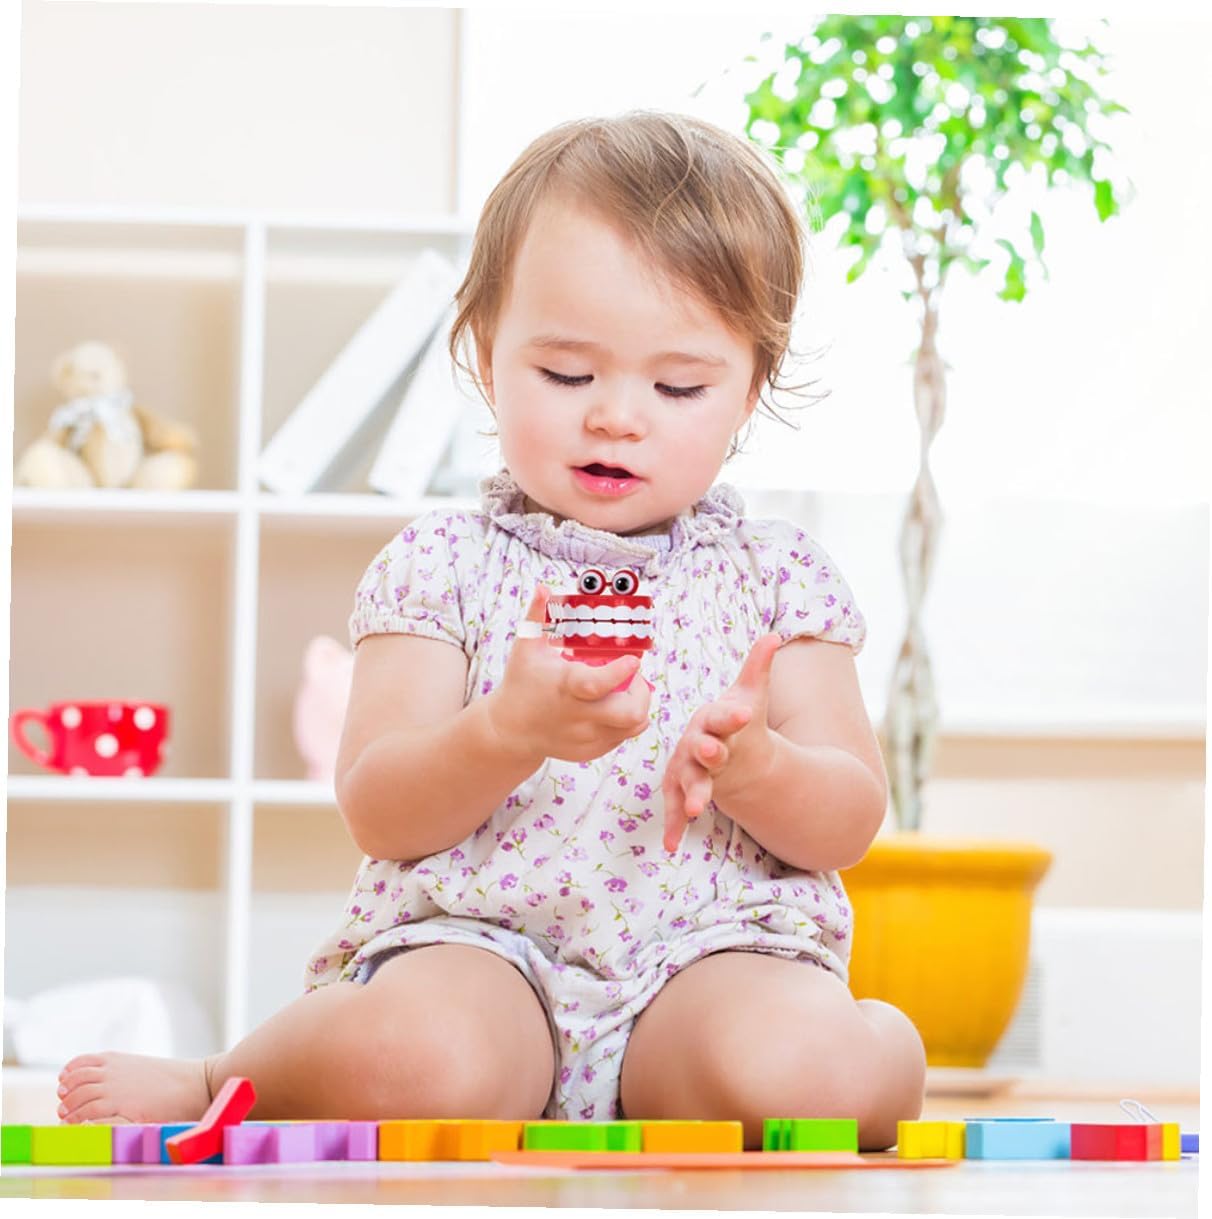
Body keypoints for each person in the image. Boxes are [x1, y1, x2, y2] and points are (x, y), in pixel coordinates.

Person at [56, 110, 925, 1150]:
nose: (616, 415)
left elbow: (847, 817)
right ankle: (222, 1074)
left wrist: (758, 768)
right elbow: (379, 806)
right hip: (481, 953)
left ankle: (871, 1041)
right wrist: (504, 731)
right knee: (418, 1062)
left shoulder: (778, 576)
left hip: (716, 956)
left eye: (678, 386)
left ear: (749, 390)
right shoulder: (443, 565)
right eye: (567, 375)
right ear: (485, 352)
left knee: (804, 1079)